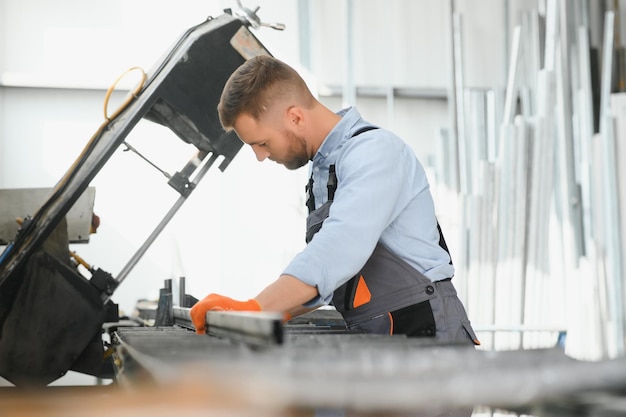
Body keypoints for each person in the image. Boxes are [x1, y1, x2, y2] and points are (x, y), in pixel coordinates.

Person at [190, 55, 479, 346]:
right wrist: (268, 311)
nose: (260, 157)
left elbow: (338, 249)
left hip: (426, 330)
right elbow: (331, 279)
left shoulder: (374, 152)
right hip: (386, 335)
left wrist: (255, 308)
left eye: (262, 143)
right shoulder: (324, 170)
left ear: (295, 117)